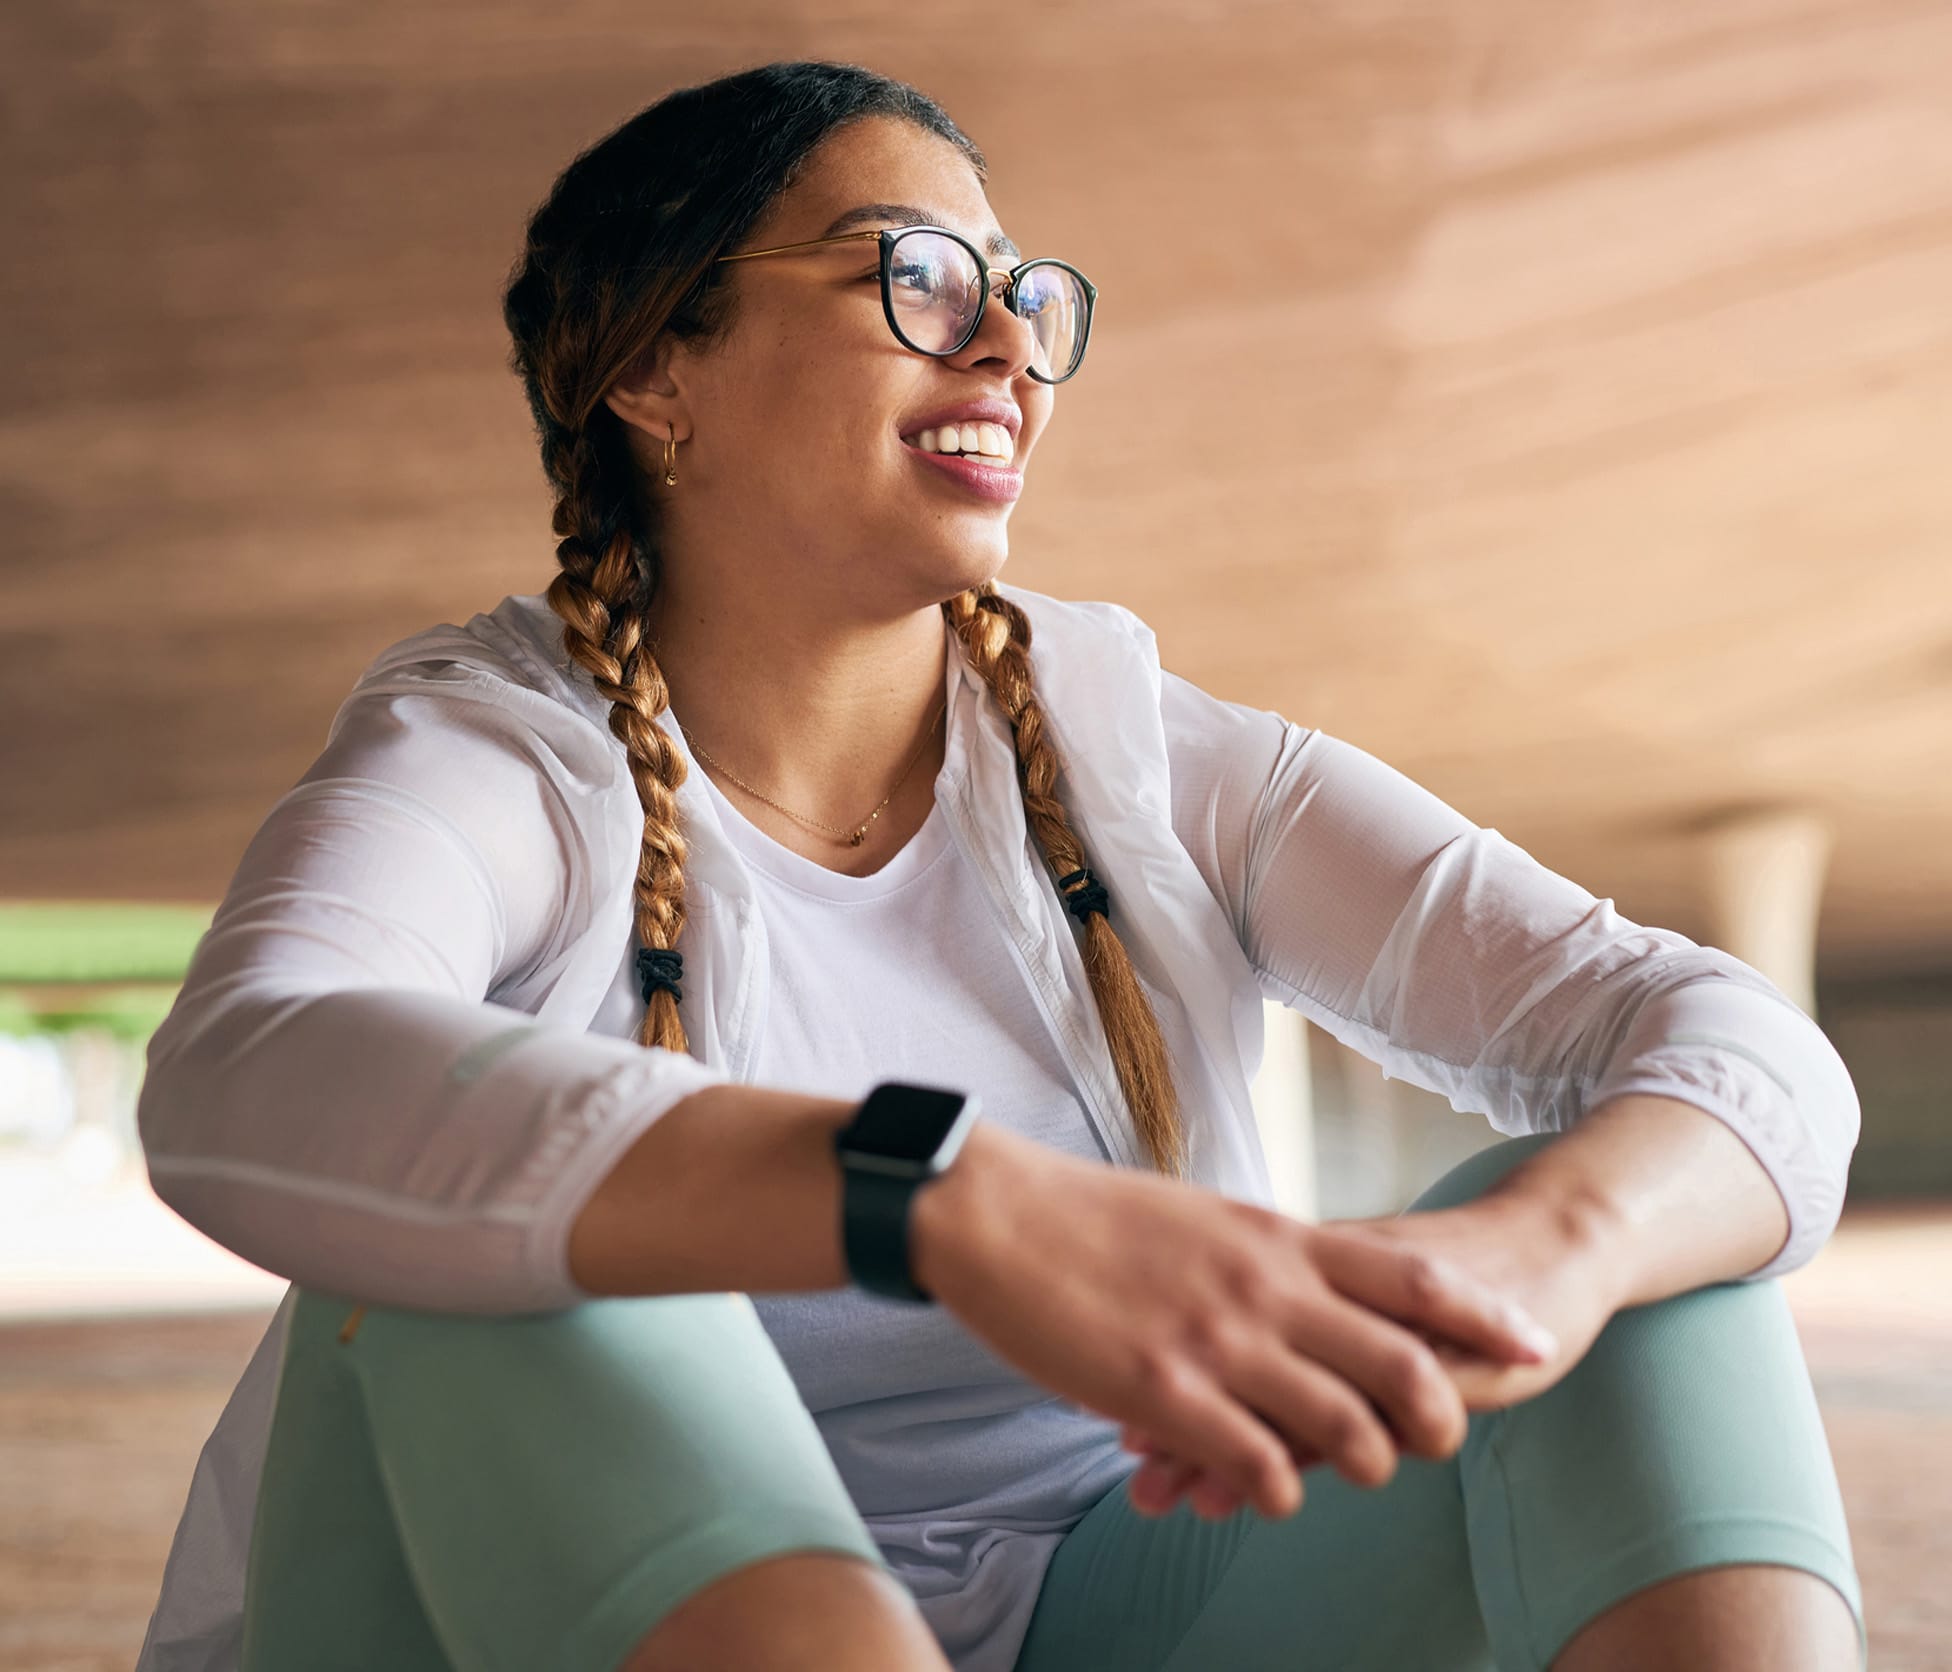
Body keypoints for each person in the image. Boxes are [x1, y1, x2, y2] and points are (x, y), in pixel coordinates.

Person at [134, 59, 1868, 1672]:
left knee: (1646, 1282)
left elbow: (1736, 1046)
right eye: (917, 280)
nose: (1011, 349)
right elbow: (244, 1066)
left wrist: (1541, 1259)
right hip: (540, 1609)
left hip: (1125, 1583)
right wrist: (946, 1196)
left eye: (1025, 296)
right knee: (486, 1256)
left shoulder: (1150, 758)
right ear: (658, 369)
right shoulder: (502, 752)